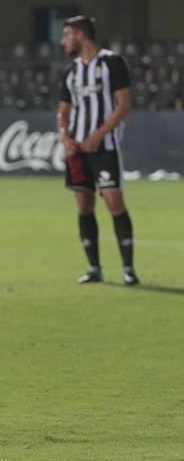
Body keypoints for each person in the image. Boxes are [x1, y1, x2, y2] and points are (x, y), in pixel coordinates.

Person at [56, 15, 138, 286]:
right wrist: (65, 138)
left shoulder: (112, 63)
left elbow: (123, 105)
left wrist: (98, 136)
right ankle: (94, 267)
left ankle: (128, 268)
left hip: (104, 147)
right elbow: (63, 112)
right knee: (84, 205)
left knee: (114, 202)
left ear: (80, 35)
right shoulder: (71, 71)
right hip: (78, 150)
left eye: (67, 34)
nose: (63, 41)